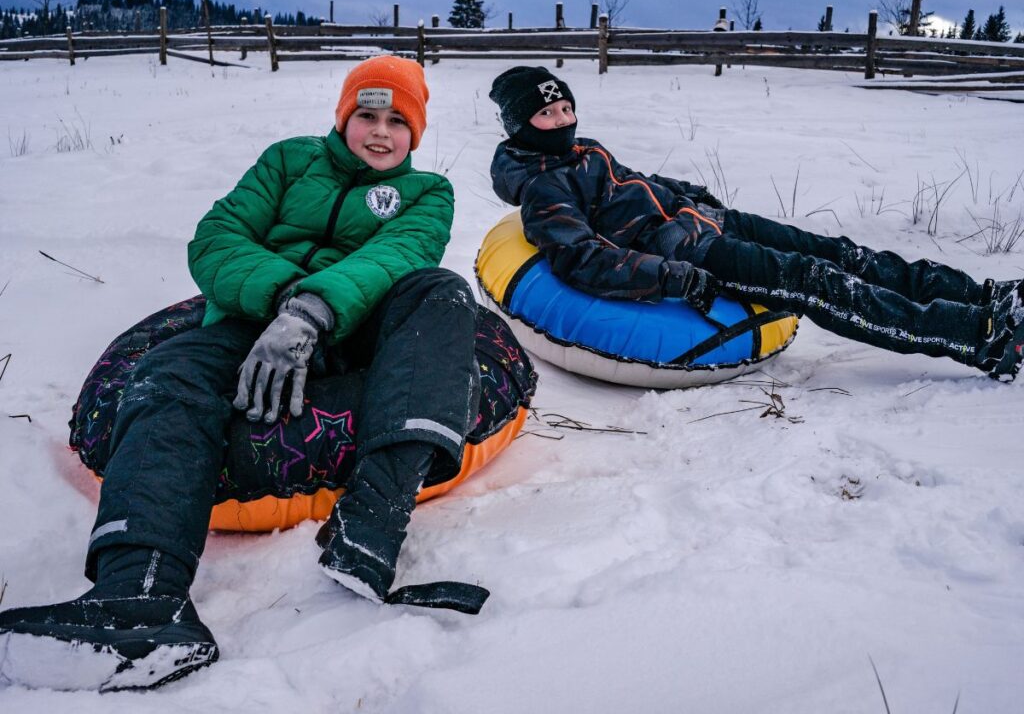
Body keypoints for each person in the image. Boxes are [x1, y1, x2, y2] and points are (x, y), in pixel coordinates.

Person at [0, 56, 483, 692]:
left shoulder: (428, 193)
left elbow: (399, 255)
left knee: (442, 291)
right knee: (165, 375)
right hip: (251, 319)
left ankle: (370, 524)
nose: (379, 132)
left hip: (357, 331)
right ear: (343, 118)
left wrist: (314, 313)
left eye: (397, 120)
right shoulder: (288, 161)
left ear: (415, 133)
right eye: (366, 114)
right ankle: (140, 599)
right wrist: (283, 301)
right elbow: (217, 237)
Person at [487, 65, 1024, 380]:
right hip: (693, 254)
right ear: (521, 125)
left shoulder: (585, 149)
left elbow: (632, 182)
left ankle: (983, 295)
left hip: (708, 221)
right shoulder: (543, 187)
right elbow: (582, 258)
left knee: (839, 251)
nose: (562, 121)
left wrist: (688, 193)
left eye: (565, 110)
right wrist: (673, 276)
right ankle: (979, 337)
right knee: (816, 284)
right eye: (546, 115)